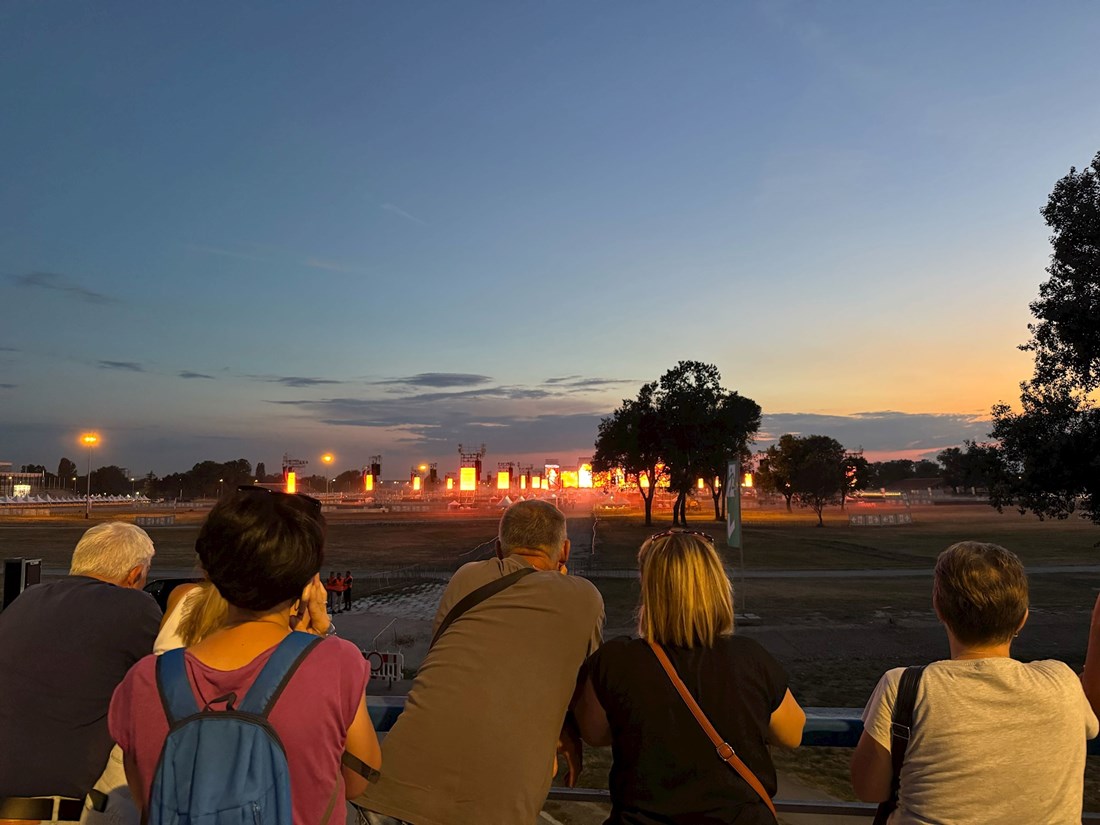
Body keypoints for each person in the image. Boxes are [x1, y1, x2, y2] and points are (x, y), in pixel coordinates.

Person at [108, 488, 380, 824]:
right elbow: (358, 780)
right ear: (308, 580)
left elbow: (143, 794)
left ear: (209, 569)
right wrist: (322, 634)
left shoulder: (145, 679)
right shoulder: (337, 662)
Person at [356, 498, 605, 825]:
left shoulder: (467, 578)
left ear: (499, 548)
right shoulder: (584, 597)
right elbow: (585, 698)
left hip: (391, 795)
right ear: (566, 550)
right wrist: (565, 726)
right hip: (497, 809)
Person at [851, 541, 1098, 824]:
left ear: (938, 607)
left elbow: (868, 789)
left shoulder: (904, 686)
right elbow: (1090, 720)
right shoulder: (1062, 681)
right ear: (1022, 618)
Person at [574, 530, 804, 824]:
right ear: (717, 585)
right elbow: (792, 735)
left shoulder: (615, 661)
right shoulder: (749, 658)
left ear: (649, 588)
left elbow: (594, 734)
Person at [0, 521, 160, 825]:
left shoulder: (27, 599)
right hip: (54, 808)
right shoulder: (134, 606)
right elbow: (167, 685)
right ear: (135, 575)